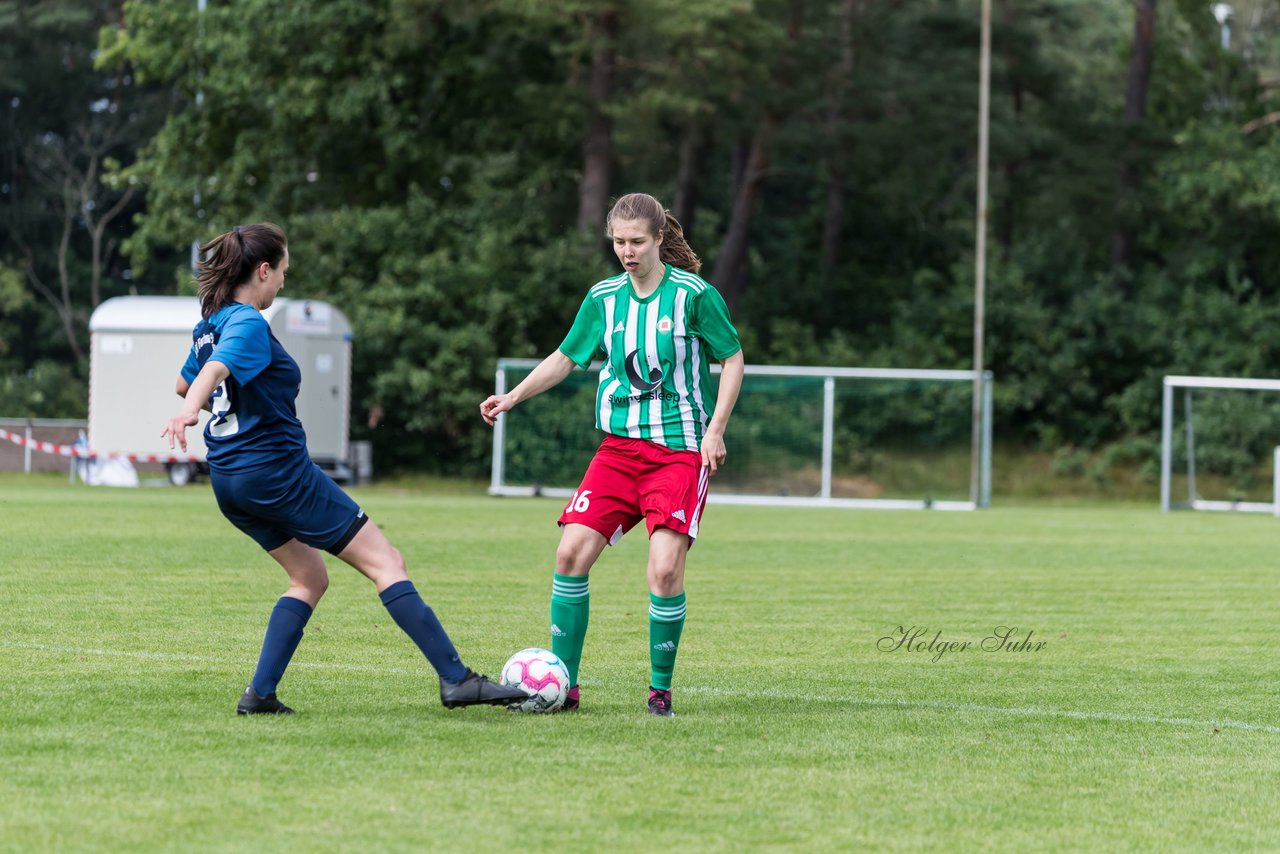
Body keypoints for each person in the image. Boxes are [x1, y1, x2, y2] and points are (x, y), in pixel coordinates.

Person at [163, 222, 527, 715]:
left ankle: (260, 696)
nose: (284, 283)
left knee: (309, 577)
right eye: (283, 272)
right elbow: (207, 379)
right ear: (263, 271)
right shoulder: (247, 323)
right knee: (387, 562)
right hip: (278, 474)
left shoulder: (210, 325)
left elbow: (187, 384)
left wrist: (203, 407)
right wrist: (192, 411)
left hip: (230, 480)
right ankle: (456, 679)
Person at [479, 193, 745, 717]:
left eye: (637, 242)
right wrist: (512, 396)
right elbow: (565, 357)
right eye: (619, 241)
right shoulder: (603, 298)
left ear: (659, 239)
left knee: (664, 570)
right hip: (619, 451)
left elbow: (733, 359)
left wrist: (715, 429)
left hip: (679, 453)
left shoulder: (694, 295)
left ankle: (659, 690)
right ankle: (564, 686)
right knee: (569, 555)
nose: (626, 251)